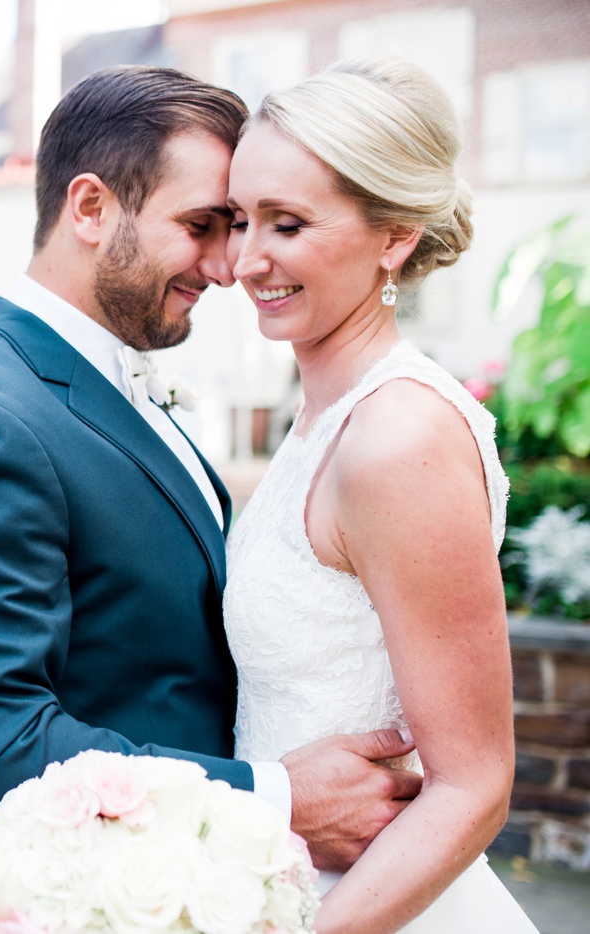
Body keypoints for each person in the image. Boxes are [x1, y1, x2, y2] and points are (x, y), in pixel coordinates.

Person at [0, 65, 422, 934]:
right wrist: (276, 796)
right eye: (202, 226)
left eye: (235, 228)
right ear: (89, 208)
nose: (229, 266)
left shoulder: (124, 392)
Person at [224, 56, 537, 933]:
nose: (248, 260)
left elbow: (473, 784)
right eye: (240, 219)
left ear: (393, 235)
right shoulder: (319, 416)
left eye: (286, 224)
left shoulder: (397, 438)